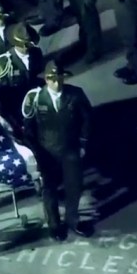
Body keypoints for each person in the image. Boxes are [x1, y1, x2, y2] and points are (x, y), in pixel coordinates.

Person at [21, 61, 93, 241]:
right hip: (47, 152)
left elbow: (87, 119)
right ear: (46, 80)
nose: (57, 83)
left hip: (71, 149)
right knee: (49, 190)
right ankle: (54, 224)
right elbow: (28, 129)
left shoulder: (75, 94)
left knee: (74, 187)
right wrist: (35, 152)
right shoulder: (35, 99)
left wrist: (83, 143)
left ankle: (73, 220)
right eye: (52, 80)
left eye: (60, 79)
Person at [0, 22, 43, 128]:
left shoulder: (36, 53)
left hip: (33, 100)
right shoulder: (3, 64)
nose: (30, 47)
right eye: (27, 44)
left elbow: (37, 74)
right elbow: (1, 95)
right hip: (16, 104)